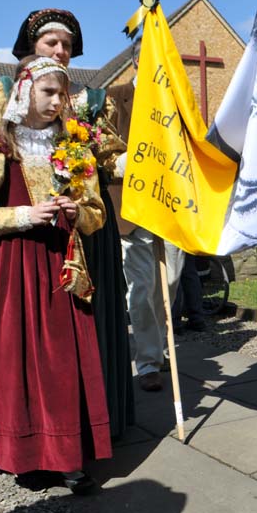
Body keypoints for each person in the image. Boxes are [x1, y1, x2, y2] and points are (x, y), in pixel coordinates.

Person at [0, 8, 134, 439]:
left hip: (83, 223)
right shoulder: (1, 94)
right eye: (51, 43)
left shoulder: (91, 99)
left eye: (68, 45)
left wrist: (145, 165)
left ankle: (90, 422)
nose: (61, 51)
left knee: (78, 336)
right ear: (30, 49)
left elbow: (105, 159)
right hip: (19, 231)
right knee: (20, 341)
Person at [0, 55, 110, 493]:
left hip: (59, 262)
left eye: (62, 94)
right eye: (48, 92)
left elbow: (97, 215)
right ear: (25, 92)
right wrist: (23, 214)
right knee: (12, 356)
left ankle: (62, 452)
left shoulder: (73, 146)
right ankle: (12, 447)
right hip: (8, 265)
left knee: (58, 362)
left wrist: (79, 209)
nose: (58, 102)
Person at [108, 40, 186, 392]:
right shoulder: (115, 96)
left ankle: (164, 345)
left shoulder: (176, 99)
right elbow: (102, 147)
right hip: (132, 208)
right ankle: (149, 361)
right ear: (138, 61)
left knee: (168, 284)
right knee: (142, 288)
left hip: (170, 207)